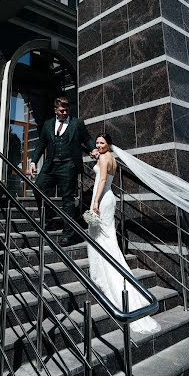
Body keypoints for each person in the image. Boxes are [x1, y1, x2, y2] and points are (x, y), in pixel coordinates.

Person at [87, 133, 161, 334]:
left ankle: (106, 274)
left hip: (102, 198)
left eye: (102, 143)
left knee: (103, 238)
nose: (99, 145)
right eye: (97, 143)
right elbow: (105, 170)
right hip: (111, 198)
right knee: (108, 237)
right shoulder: (112, 159)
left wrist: (94, 203)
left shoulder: (104, 158)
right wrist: (96, 155)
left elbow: (102, 179)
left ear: (109, 144)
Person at [29, 96, 98, 246]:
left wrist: (93, 149)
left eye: (67, 110)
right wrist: (33, 161)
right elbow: (41, 143)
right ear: (56, 110)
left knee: (67, 199)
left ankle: (68, 234)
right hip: (51, 165)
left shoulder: (77, 123)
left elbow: (87, 138)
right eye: (62, 110)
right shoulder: (48, 124)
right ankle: (48, 217)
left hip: (69, 165)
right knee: (38, 187)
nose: (65, 112)